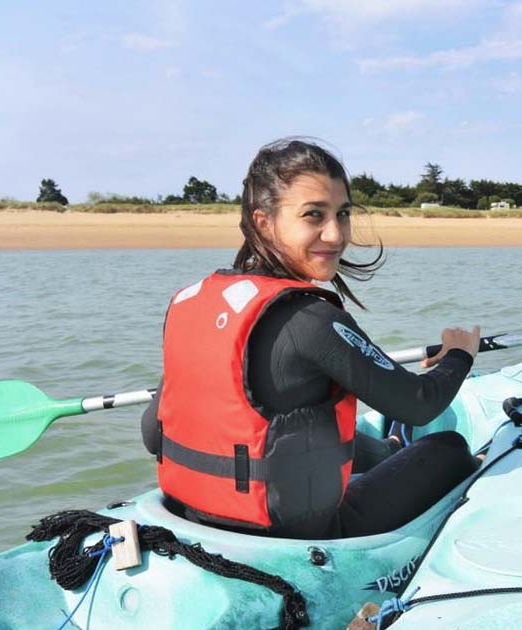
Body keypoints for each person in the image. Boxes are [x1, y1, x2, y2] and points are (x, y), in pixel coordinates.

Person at [141, 137, 481, 539]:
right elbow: (420, 404)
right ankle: (397, 452)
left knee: (321, 437)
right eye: (313, 215)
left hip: (191, 517)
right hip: (298, 536)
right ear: (264, 221)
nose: (335, 234)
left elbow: (152, 433)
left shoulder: (190, 304)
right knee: (449, 448)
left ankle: (389, 449)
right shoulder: (312, 320)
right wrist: (460, 355)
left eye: (343, 213)